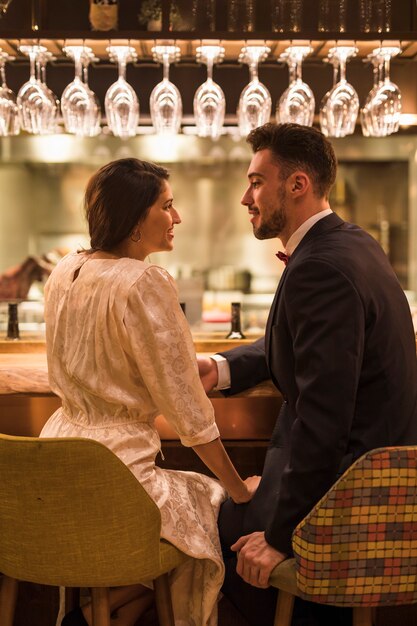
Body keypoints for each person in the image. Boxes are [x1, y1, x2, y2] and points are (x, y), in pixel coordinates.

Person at [198, 122, 417, 626]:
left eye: (256, 181)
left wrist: (280, 536)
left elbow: (324, 420)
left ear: (297, 184)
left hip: (349, 496)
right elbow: (300, 342)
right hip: (368, 476)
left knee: (211, 533)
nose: (244, 197)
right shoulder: (349, 243)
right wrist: (223, 366)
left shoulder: (321, 267)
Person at [39, 158, 259, 626]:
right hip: (117, 476)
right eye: (168, 205)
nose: (177, 218)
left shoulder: (64, 269)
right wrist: (240, 490)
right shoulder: (144, 281)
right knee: (211, 506)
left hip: (54, 469)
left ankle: (98, 611)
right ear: (137, 219)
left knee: (165, 545)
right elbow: (188, 412)